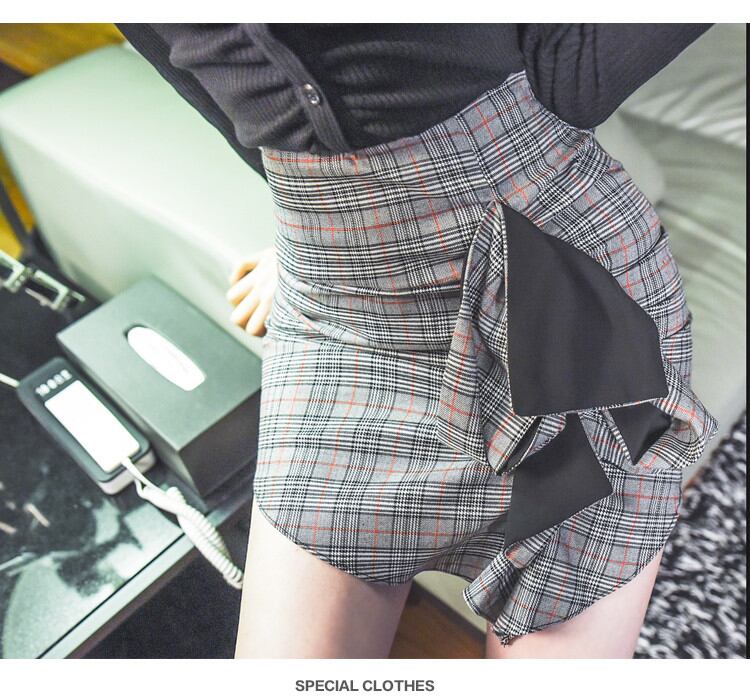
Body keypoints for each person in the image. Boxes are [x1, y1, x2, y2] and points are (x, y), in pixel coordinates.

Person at [117, 23, 719, 659]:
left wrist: (521, 123)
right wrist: (325, 216)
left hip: (548, 274)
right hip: (337, 301)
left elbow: (573, 67)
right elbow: (191, 67)